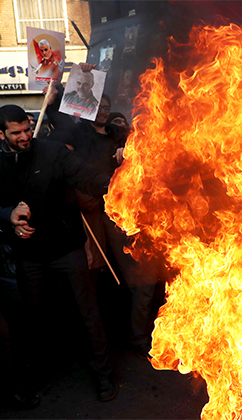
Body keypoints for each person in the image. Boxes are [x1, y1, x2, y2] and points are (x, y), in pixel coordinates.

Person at [0, 104, 116, 402]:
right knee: (31, 320)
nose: (25, 136)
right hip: (29, 255)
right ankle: (30, 381)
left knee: (88, 312)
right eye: (16, 133)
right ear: (2, 134)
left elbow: (86, 176)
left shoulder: (52, 152)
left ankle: (104, 376)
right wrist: (8, 216)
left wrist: (116, 185)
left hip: (67, 247)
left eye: (27, 129)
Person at [48, 71, 159, 359]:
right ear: (90, 108)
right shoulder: (80, 134)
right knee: (94, 278)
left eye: (108, 107)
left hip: (127, 214)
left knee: (143, 280)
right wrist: (55, 96)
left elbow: (145, 144)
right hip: (95, 216)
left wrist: (128, 151)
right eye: (99, 106)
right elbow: (61, 126)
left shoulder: (115, 134)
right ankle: (96, 341)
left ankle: (137, 337)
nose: (105, 111)